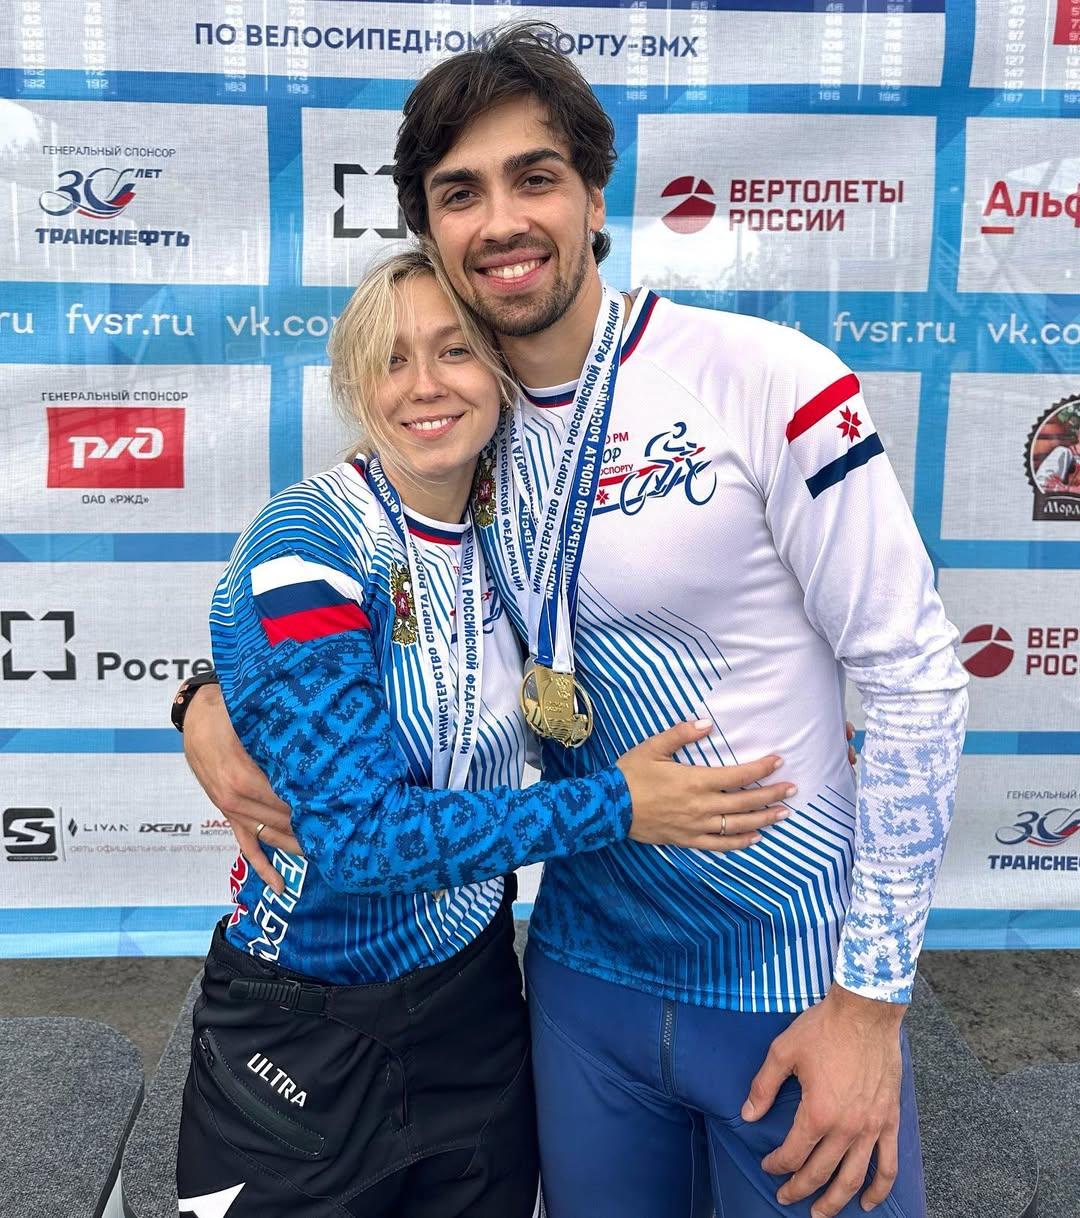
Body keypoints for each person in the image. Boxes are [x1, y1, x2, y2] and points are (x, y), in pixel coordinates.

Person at [181, 23, 969, 1218]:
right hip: (579, 985)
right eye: (462, 193)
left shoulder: (765, 376)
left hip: (789, 983)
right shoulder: (463, 434)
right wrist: (201, 697)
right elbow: (334, 611)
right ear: (430, 229)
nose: (502, 220)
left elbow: (915, 678)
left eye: (534, 177)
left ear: (595, 194)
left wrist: (872, 1002)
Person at [174, 246, 801, 1218]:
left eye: (455, 351)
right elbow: (360, 841)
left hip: (474, 1006)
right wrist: (618, 806)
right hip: (302, 1033)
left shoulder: (516, 531)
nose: (425, 385)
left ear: (500, 371)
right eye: (391, 359)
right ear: (355, 385)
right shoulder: (310, 543)